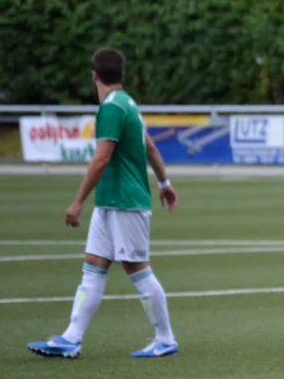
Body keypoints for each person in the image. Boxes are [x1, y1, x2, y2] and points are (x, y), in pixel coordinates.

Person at [28, 48, 180, 359]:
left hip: (126, 202)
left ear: (94, 76)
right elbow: (150, 148)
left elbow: (101, 159)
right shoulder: (130, 105)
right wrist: (164, 183)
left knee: (137, 268)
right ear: (122, 75)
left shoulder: (112, 108)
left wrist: (77, 201)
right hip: (111, 202)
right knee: (94, 266)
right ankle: (72, 338)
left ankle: (165, 338)